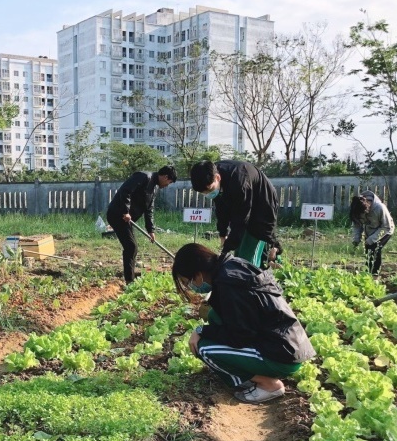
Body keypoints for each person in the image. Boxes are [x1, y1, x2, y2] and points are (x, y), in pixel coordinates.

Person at [172, 243, 315, 403]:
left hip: (282, 356)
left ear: (198, 275)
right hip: (289, 345)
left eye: (187, 281)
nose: (189, 287)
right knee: (214, 316)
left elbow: (240, 337)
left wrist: (201, 331)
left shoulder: (228, 284)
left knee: (204, 348)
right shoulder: (231, 266)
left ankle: (268, 384)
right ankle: (254, 375)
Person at [189, 160, 281, 268]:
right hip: (243, 203)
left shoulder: (239, 182)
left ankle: (268, 264)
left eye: (209, 190)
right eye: (204, 193)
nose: (208, 194)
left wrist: (227, 248)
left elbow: (241, 220)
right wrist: (223, 233)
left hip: (262, 204)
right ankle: (262, 267)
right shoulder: (211, 174)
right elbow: (221, 208)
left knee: (247, 253)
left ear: (217, 178)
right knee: (239, 252)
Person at [106, 165, 177, 284]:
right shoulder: (143, 177)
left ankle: (130, 279)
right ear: (165, 177)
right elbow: (125, 191)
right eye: (169, 182)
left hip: (126, 219)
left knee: (131, 247)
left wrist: (151, 230)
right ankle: (130, 281)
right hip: (117, 215)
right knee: (131, 247)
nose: (167, 186)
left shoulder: (154, 188)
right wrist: (125, 211)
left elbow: (149, 209)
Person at [350, 190, 395, 276]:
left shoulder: (380, 208)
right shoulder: (357, 207)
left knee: (375, 249)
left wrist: (371, 239)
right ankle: (368, 273)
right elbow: (357, 224)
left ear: (367, 206)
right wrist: (356, 238)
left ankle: (375, 274)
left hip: (386, 230)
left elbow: (386, 226)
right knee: (368, 251)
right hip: (370, 231)